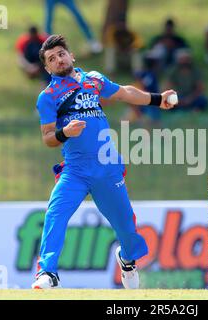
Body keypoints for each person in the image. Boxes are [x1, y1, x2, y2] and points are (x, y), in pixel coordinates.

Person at [32, 34, 178, 289]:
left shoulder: (94, 79)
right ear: (47, 68)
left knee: (126, 228)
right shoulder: (48, 96)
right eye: (51, 59)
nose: (58, 60)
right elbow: (47, 138)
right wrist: (64, 133)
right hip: (75, 169)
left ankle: (127, 258)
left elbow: (125, 93)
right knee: (56, 213)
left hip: (106, 166)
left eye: (61, 54)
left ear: (71, 55)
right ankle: (47, 272)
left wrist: (157, 99)